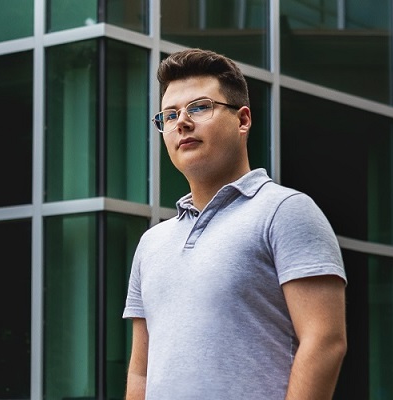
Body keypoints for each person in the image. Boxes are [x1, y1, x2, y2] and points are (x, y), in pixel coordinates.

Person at [122, 48, 347, 399]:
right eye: (169, 115)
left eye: (199, 107)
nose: (181, 122)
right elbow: (140, 372)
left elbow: (325, 341)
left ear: (242, 120)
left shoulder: (286, 211)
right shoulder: (152, 243)